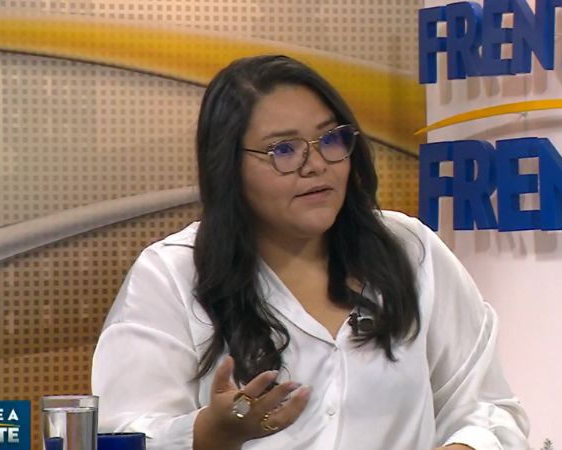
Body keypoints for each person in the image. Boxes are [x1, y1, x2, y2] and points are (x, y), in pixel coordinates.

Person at [92, 55, 530, 450]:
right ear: (227, 166)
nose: (316, 164)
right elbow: (121, 436)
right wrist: (209, 434)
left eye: (330, 139)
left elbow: (489, 409)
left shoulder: (409, 249)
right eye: (284, 149)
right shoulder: (172, 274)